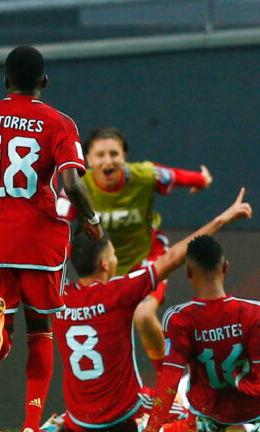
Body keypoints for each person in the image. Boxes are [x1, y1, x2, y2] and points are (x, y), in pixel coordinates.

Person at [0, 45, 104, 432]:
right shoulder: (59, 123)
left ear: (5, 81)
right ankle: (31, 425)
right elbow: (70, 181)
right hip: (38, 241)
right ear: (44, 81)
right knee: (41, 331)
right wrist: (92, 219)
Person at [49, 188, 250, 432]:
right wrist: (222, 219)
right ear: (104, 264)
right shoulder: (118, 293)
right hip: (125, 414)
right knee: (206, 418)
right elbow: (172, 258)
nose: (115, 258)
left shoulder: (57, 298)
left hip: (80, 419)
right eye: (113, 253)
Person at [56, 126, 213, 374]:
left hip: (146, 259)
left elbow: (179, 177)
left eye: (114, 153)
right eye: (100, 155)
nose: (107, 161)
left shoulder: (144, 175)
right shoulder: (76, 188)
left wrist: (201, 180)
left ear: (124, 156)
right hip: (104, 269)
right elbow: (57, 227)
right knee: (102, 327)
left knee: (142, 315)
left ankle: (167, 384)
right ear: (87, 159)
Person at [145, 235, 260, 432]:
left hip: (209, 410)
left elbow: (170, 378)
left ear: (188, 272)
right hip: (256, 405)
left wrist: (151, 429)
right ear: (225, 267)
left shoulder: (179, 319)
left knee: (175, 422)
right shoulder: (253, 313)